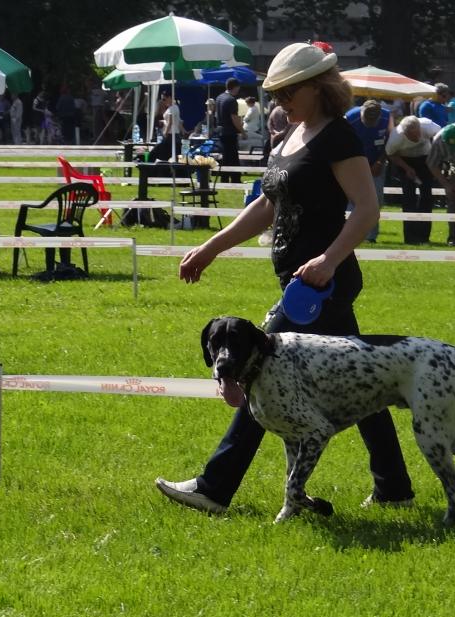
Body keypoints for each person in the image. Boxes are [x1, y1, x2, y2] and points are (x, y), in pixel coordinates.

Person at [156, 42, 415, 515]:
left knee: (258, 367)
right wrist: (212, 247)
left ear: (318, 87)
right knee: (366, 380)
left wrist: (328, 261)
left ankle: (214, 488)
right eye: (275, 93)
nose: (279, 101)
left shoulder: (338, 137)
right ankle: (394, 486)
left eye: (288, 92)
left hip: (320, 286)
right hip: (299, 284)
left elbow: (367, 208)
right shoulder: (292, 134)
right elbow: (267, 204)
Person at [385, 114, 440, 244]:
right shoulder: (396, 137)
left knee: (426, 196)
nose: (416, 138)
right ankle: (410, 238)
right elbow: (391, 154)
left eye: (418, 134)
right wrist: (407, 168)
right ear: (404, 133)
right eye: (412, 136)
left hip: (425, 160)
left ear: (420, 128)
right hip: (404, 160)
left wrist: (435, 159)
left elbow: (441, 137)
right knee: (408, 197)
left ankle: (424, 237)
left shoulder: (428, 126)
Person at [345, 99, 391, 242]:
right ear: (361, 113)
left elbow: (390, 142)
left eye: (373, 120)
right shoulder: (349, 118)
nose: (370, 123)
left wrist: (380, 161)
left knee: (376, 200)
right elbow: (344, 145)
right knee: (353, 200)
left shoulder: (387, 117)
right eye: (367, 120)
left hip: (377, 164)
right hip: (354, 164)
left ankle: (371, 236)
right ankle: (350, 234)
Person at [216, 78, 245, 182]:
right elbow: (234, 118)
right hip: (230, 132)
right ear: (235, 87)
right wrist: (242, 131)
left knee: (225, 157)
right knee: (233, 157)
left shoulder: (219, 98)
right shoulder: (232, 100)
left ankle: (224, 178)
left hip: (221, 131)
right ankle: (235, 179)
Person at [148, 92, 184, 161]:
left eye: (164, 99)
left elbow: (170, 122)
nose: (163, 101)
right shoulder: (174, 107)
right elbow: (178, 121)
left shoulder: (172, 108)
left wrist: (165, 132)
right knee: (165, 155)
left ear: (169, 98)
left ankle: (148, 165)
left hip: (170, 135)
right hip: (174, 136)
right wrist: (183, 131)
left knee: (155, 153)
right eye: (162, 100)